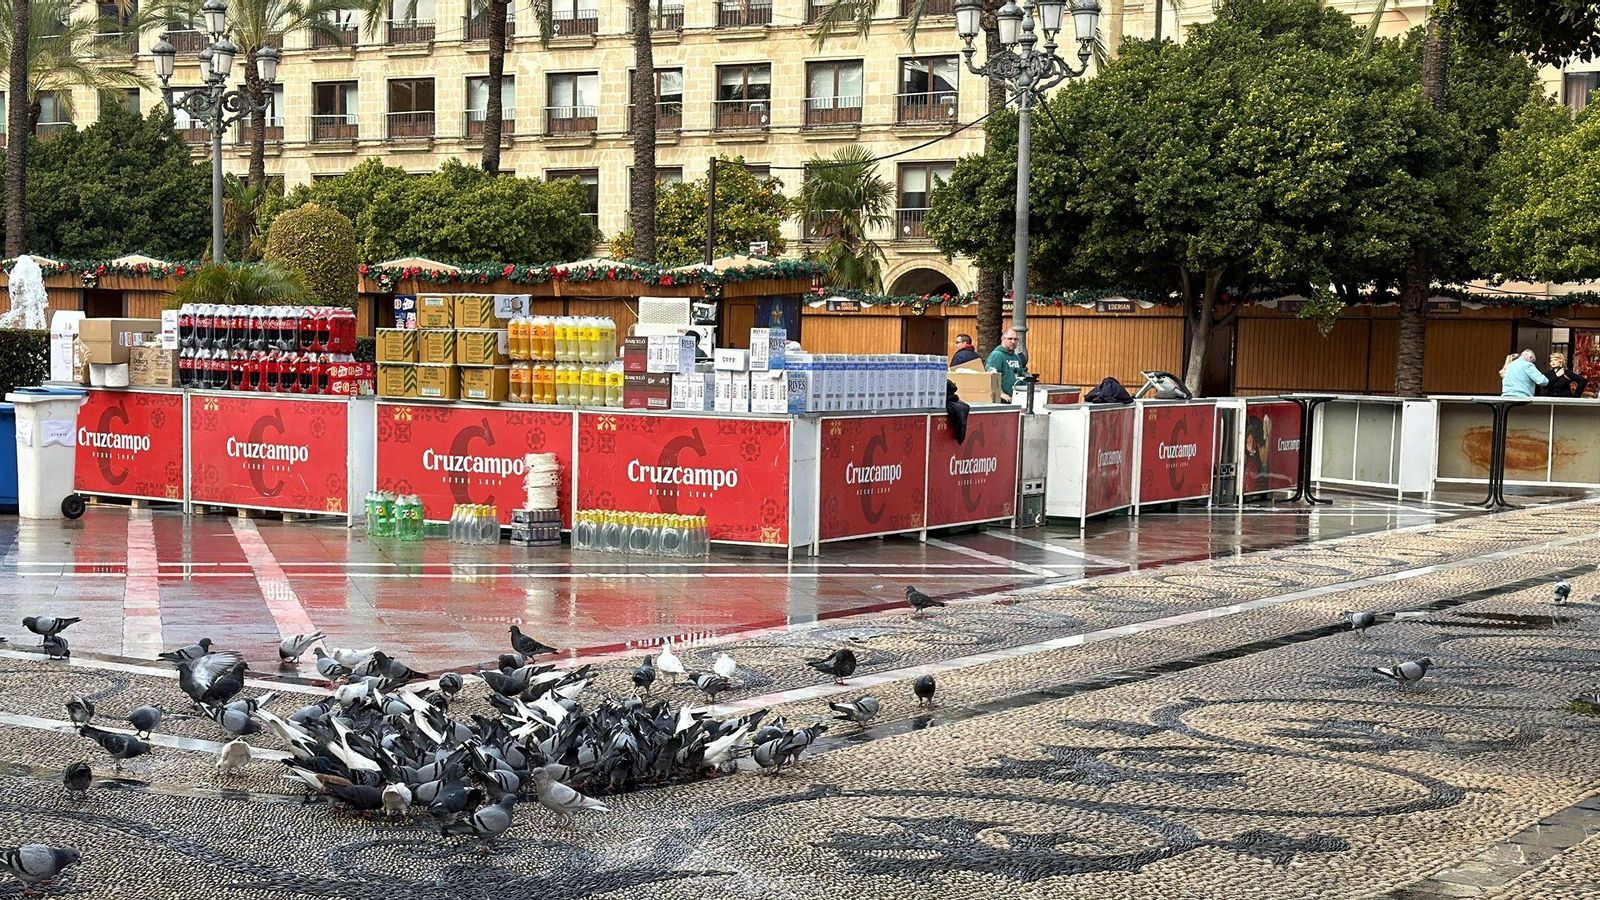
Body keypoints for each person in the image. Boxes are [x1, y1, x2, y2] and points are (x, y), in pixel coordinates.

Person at [985, 328, 1028, 402]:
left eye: (1015, 339)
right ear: (1003, 339)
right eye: (1010, 339)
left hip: (1016, 398)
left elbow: (1021, 376)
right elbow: (991, 376)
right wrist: (1001, 393)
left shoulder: (1016, 357)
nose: (1013, 341)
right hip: (1002, 400)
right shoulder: (997, 355)